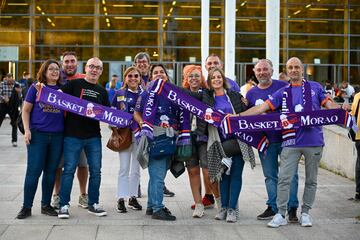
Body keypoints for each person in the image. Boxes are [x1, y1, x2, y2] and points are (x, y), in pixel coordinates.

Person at [240, 57, 344, 228]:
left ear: (302, 69)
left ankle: (305, 213)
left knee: (311, 180)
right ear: (287, 71)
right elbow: (261, 108)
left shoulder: (315, 87)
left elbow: (329, 105)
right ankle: (281, 214)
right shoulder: (283, 92)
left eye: (297, 67)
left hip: (314, 141)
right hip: (290, 142)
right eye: (290, 67)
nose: (294, 70)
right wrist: (238, 117)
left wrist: (342, 110)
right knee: (284, 179)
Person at [193, 67, 249, 223]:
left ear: (223, 79)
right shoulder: (206, 96)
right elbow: (188, 96)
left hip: (238, 141)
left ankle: (232, 210)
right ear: (209, 82)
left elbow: (247, 111)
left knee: (235, 175)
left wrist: (246, 103)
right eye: (213, 78)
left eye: (219, 77)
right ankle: (223, 208)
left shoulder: (234, 95)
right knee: (222, 176)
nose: (216, 80)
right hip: (218, 142)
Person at [246, 59, 299, 222]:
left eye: (265, 69)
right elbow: (248, 118)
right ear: (254, 72)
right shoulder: (251, 94)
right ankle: (273, 207)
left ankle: (292, 208)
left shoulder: (283, 87)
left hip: (286, 139)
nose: (262, 72)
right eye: (259, 70)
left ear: (272, 70)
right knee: (270, 176)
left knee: (290, 175)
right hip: (265, 141)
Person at [58, 57, 109, 219]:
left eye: (98, 68)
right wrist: (40, 89)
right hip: (72, 135)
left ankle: (93, 203)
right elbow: (57, 96)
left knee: (96, 171)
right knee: (69, 170)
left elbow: (108, 114)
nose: (94, 70)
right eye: (91, 66)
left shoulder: (102, 91)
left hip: (93, 136)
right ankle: (63, 205)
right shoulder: (74, 84)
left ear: (101, 71)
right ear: (86, 68)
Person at [16, 60, 64, 219]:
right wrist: (27, 130)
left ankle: (45, 205)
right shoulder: (35, 88)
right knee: (34, 171)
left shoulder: (62, 90)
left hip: (57, 136)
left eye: (57, 69)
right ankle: (26, 207)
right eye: (51, 69)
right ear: (44, 71)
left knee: (50, 172)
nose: (55, 71)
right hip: (38, 136)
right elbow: (26, 110)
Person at [133, 64, 180, 221]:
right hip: (156, 136)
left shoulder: (174, 93)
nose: (159, 74)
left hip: (171, 136)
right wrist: (144, 125)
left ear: (166, 76)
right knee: (158, 174)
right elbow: (136, 113)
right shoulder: (147, 93)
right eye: (156, 73)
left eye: (162, 72)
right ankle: (158, 209)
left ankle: (151, 205)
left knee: (157, 174)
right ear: (151, 77)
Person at [52, 51, 89, 210]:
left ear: (77, 62)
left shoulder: (84, 78)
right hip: (59, 128)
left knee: (82, 164)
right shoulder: (55, 79)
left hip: (79, 129)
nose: (69, 64)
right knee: (58, 165)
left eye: (72, 61)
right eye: (66, 61)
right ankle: (57, 195)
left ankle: (83, 195)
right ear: (62, 64)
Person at [181, 65, 219, 218]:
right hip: (187, 137)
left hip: (203, 137)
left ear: (202, 78)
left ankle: (219, 202)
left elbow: (224, 95)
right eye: (190, 76)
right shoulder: (181, 95)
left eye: (197, 75)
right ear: (186, 79)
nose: (194, 78)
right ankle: (198, 204)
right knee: (192, 170)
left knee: (208, 171)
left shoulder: (207, 94)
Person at [111, 67, 143, 213]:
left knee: (136, 169)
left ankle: (133, 197)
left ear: (140, 78)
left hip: (139, 136)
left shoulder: (145, 94)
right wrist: (114, 132)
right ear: (125, 78)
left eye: (136, 76)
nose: (133, 78)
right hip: (124, 135)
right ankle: (121, 198)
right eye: (130, 76)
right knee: (124, 168)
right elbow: (111, 115)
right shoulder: (119, 93)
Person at [0, 73, 21, 147]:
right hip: (3, 105)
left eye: (10, 79)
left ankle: (14, 141)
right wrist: (3, 98)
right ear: (6, 78)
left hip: (13, 106)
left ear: (12, 78)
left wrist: (19, 92)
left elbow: (20, 96)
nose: (9, 81)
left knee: (14, 123)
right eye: (7, 79)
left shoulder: (17, 84)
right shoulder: (2, 84)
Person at [350, 92, 360, 202]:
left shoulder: (357, 96)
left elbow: (352, 116)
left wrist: (356, 132)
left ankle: (358, 192)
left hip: (359, 137)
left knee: (359, 164)